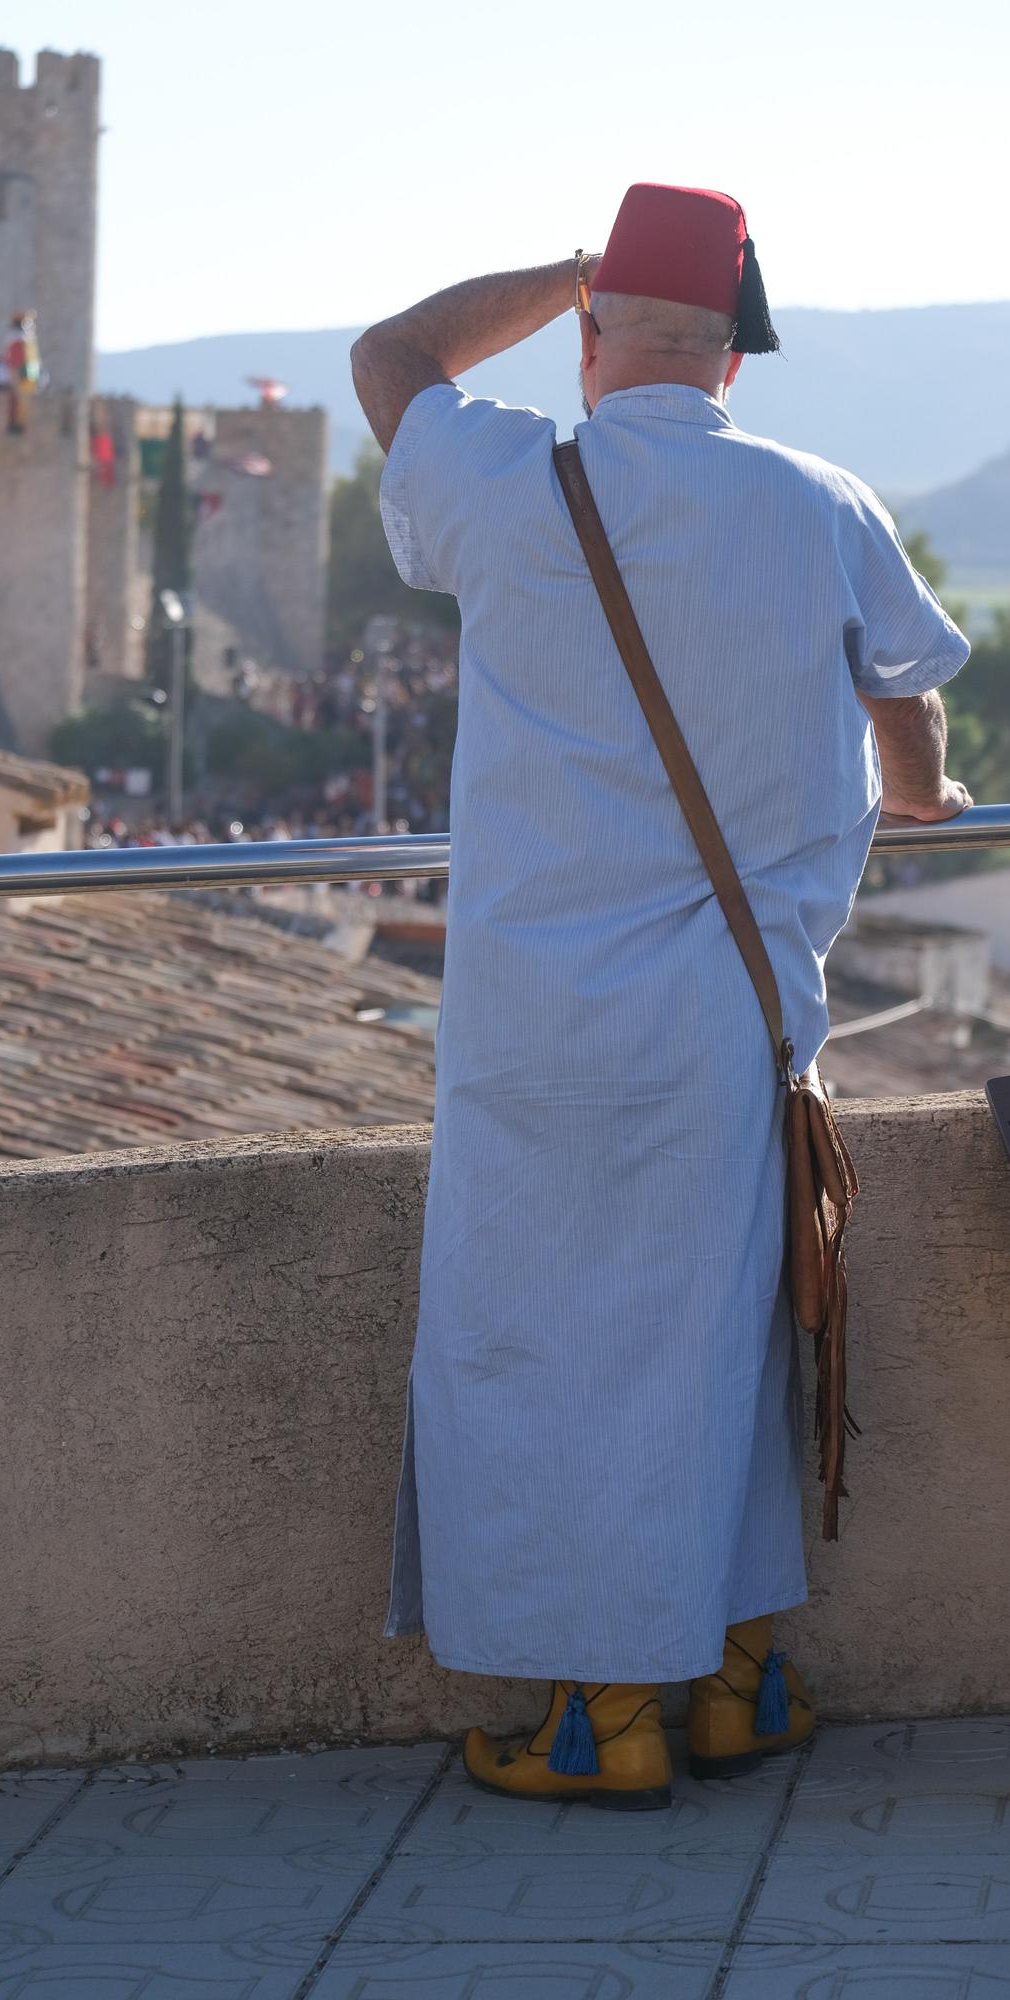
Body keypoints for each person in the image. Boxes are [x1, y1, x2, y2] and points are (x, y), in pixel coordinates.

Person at [351, 182, 971, 1810]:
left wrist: (562, 271)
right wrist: (916, 784)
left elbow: (391, 351)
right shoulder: (822, 500)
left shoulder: (504, 482)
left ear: (591, 337)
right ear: (733, 365)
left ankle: (601, 1715)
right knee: (730, 1334)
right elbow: (902, 687)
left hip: (538, 1033)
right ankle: (743, 1683)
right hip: (743, 1020)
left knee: (552, 1355)